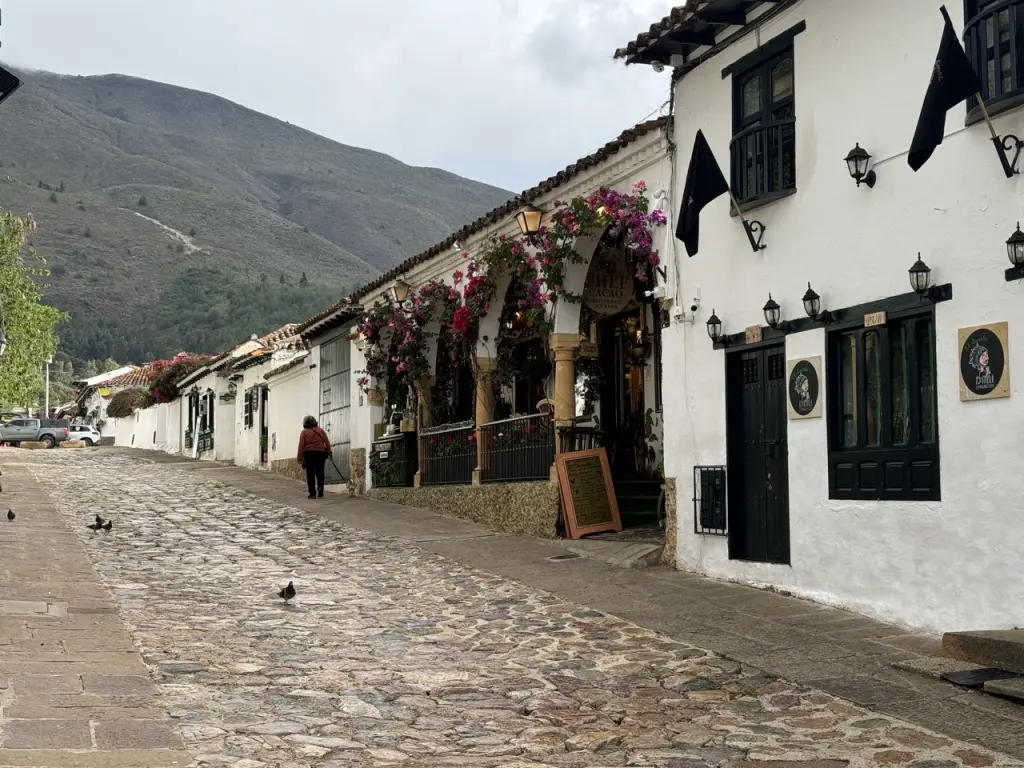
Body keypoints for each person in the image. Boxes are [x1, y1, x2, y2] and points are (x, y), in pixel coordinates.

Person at [297, 415, 332, 499]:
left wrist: (299, 458)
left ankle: (312, 493)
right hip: (320, 453)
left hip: (309, 453)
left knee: (310, 474)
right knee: (320, 472)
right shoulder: (320, 431)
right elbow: (327, 442)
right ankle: (320, 488)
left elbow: (301, 445)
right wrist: (329, 452)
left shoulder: (304, 432)